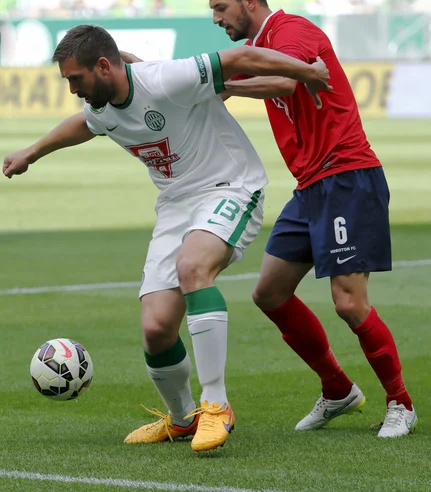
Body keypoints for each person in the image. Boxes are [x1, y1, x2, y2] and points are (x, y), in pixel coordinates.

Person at [3, 24, 330, 452]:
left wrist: (306, 72)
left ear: (104, 66)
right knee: (156, 328)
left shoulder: (163, 79)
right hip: (176, 206)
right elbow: (85, 125)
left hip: (228, 186)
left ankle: (217, 405)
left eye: (75, 79)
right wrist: (31, 152)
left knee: (194, 267)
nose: (72, 90)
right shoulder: (101, 105)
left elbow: (235, 60)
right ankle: (182, 419)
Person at [203, 0, 417, 438]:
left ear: (250, 2)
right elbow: (219, 68)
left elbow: (287, 80)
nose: (216, 17)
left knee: (348, 302)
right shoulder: (255, 47)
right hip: (311, 188)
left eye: (221, 7)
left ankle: (401, 403)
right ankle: (338, 389)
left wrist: (227, 88)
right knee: (270, 294)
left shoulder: (292, 30)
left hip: (346, 177)